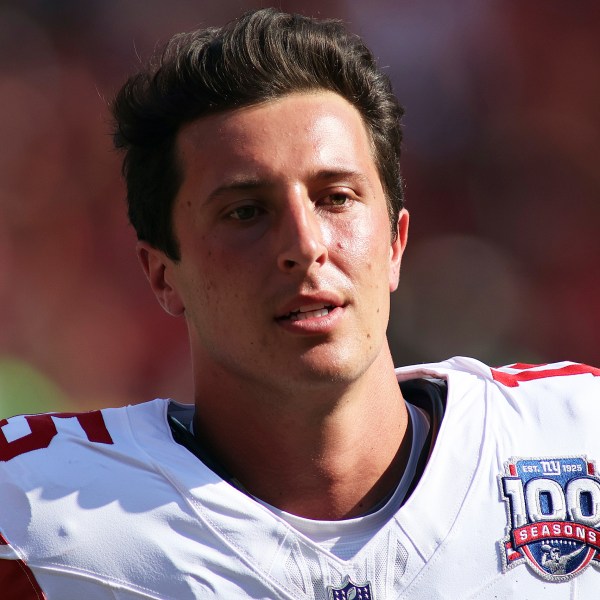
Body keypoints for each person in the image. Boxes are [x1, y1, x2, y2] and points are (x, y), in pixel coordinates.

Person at [1, 7, 600, 599]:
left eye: (336, 197)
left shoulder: (576, 435)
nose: (305, 245)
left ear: (395, 242)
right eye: (245, 212)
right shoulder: (29, 513)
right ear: (161, 274)